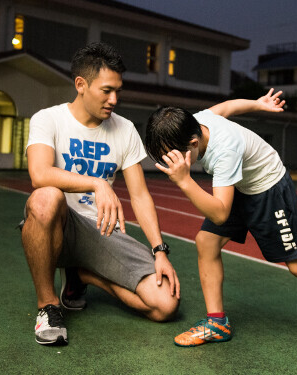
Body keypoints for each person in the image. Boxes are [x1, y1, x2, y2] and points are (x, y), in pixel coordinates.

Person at [144, 89, 297, 346]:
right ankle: (217, 323)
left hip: (269, 189)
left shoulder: (225, 151)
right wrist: (258, 104)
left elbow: (220, 212)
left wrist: (184, 181)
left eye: (173, 157)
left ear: (193, 143)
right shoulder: (198, 121)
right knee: (207, 241)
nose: (171, 163)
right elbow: (227, 106)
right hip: (241, 186)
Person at [20, 42, 180, 346]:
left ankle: (81, 275)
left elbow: (140, 196)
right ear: (81, 84)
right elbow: (39, 174)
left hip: (102, 232)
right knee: (45, 197)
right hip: (60, 227)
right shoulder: (48, 119)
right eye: (106, 90)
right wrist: (97, 182)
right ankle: (48, 306)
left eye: (118, 91)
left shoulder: (125, 129)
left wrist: (160, 250)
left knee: (165, 305)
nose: (114, 99)